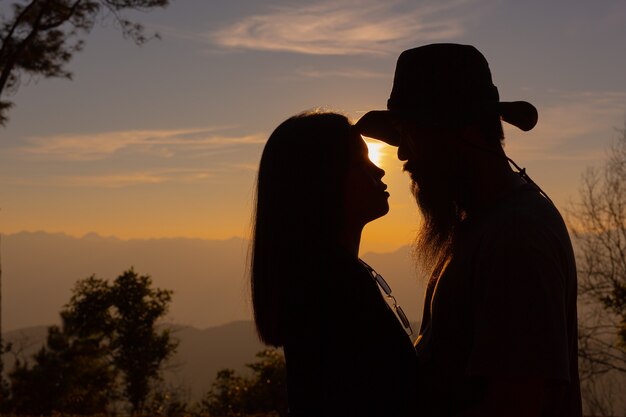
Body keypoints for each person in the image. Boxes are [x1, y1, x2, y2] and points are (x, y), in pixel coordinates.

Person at [356, 44, 582, 417]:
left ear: (463, 132)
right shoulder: (483, 223)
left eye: (410, 133)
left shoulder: (516, 237)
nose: (401, 155)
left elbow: (515, 403)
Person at [250, 111, 418, 417]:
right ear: (320, 182)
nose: (380, 171)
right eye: (359, 163)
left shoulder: (313, 280)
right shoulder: (337, 287)